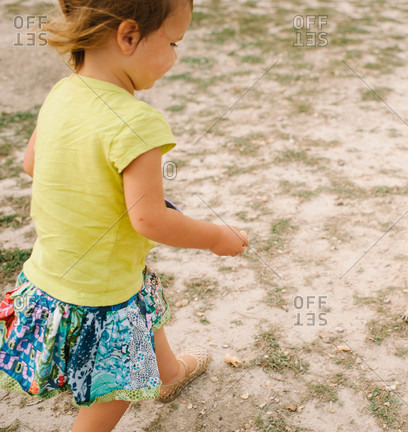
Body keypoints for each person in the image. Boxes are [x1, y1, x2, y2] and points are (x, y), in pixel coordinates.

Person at [0, 0, 249, 430]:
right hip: (101, 296)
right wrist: (214, 236)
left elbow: (31, 164)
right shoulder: (138, 122)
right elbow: (149, 220)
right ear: (129, 36)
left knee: (143, 302)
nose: (175, 55)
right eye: (172, 42)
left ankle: (167, 375)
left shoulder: (62, 92)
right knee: (116, 387)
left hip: (49, 275)